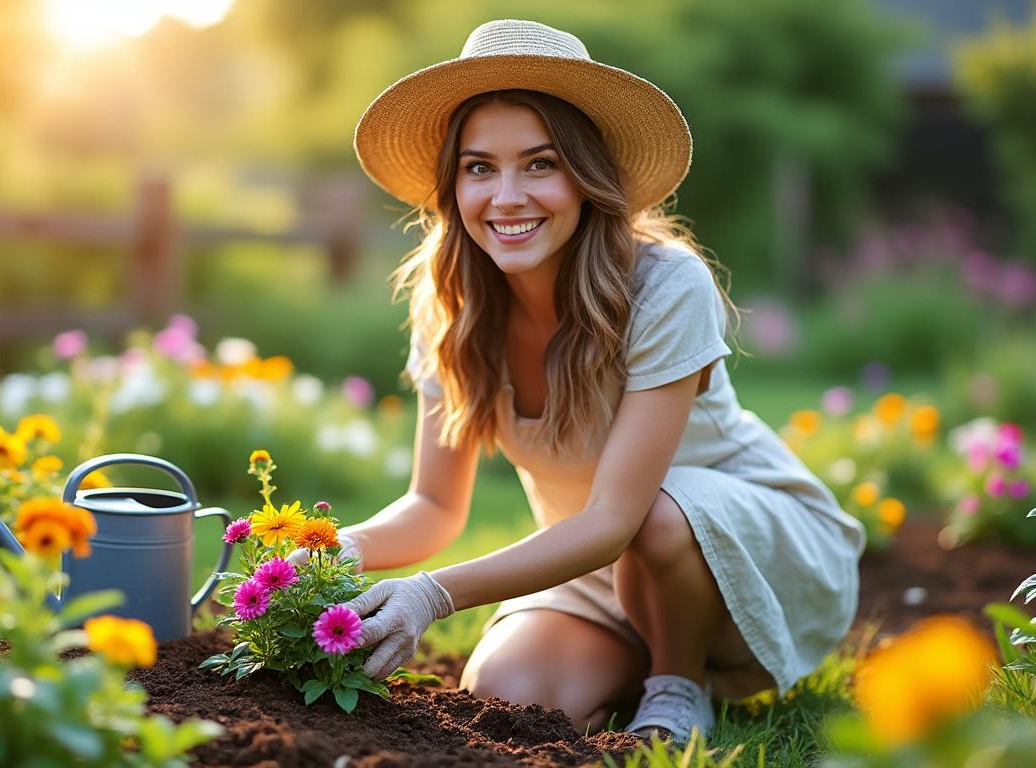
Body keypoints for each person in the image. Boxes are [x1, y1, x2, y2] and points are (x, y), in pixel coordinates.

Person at [290, 18, 866, 742]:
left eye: (540, 163)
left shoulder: (664, 284)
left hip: (742, 544)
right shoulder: (451, 306)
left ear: (589, 176)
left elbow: (616, 519)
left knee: (659, 515)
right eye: (478, 167)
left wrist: (434, 595)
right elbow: (434, 504)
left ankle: (679, 685)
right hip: (600, 561)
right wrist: (335, 548)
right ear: (452, 183)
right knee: (504, 695)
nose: (506, 197)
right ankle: (634, 650)